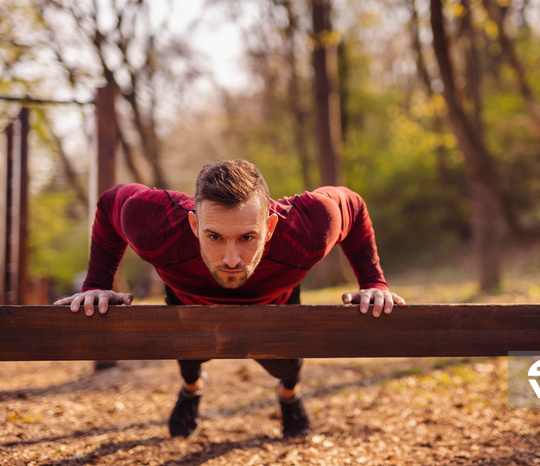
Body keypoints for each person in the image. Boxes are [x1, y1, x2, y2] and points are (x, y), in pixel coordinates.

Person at [54, 159, 405, 439]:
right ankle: (192, 389)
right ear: (193, 226)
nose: (232, 259)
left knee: (288, 369)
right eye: (214, 237)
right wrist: (95, 283)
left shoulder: (309, 228)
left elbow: (354, 207)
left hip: (274, 305)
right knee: (189, 363)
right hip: (189, 304)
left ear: (269, 227)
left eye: (248, 237)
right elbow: (108, 202)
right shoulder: (154, 224)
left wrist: (374, 282)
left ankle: (288, 396)